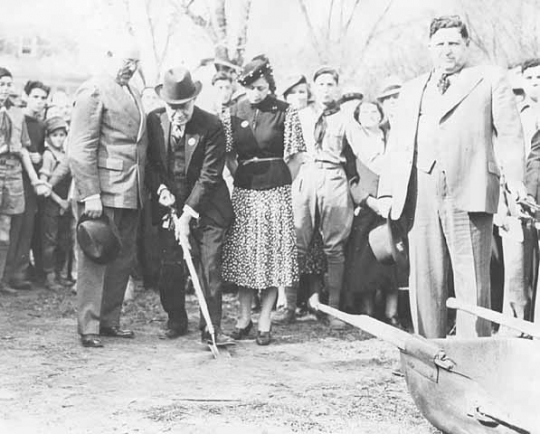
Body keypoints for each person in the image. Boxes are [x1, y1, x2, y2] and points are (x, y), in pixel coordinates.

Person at [377, 15, 525, 338]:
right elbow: (397, 145)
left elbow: (511, 137)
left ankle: (474, 358)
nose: (447, 51)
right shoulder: (412, 89)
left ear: (466, 46)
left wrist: (516, 183)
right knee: (425, 279)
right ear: (430, 47)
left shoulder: (488, 80)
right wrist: (387, 193)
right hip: (420, 191)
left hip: (470, 190)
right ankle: (430, 357)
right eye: (440, 44)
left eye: (454, 44)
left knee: (472, 278)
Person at [146, 67, 234, 345]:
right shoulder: (154, 121)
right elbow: (150, 165)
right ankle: (176, 320)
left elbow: (210, 176)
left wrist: (187, 213)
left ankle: (211, 327)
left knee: (209, 267)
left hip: (207, 209)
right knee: (170, 265)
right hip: (169, 207)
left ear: (193, 100)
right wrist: (160, 189)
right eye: (172, 107)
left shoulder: (212, 125)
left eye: (183, 106)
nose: (177, 112)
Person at [68, 40, 147, 348]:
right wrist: (90, 194)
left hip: (131, 190)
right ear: (109, 53)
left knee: (122, 258)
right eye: (128, 60)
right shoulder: (93, 90)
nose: (132, 67)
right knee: (95, 257)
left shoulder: (133, 91)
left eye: (137, 62)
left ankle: (109, 320)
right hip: (102, 191)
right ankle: (89, 327)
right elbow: (80, 148)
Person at [222, 55, 305, 345]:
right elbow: (228, 154)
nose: (256, 93)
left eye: (261, 86)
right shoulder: (233, 111)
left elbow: (296, 157)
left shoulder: (285, 111)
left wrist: (280, 181)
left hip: (276, 193)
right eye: (250, 87)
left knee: (270, 259)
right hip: (245, 192)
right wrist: (241, 175)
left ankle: (265, 319)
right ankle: (244, 317)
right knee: (246, 258)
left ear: (269, 84)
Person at [290, 66, 357, 329]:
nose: (326, 89)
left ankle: (334, 310)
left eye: (331, 84)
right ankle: (289, 306)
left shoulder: (346, 119)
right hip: (306, 175)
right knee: (297, 243)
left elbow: (360, 151)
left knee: (334, 247)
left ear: (337, 88)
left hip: (334, 177)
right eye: (321, 84)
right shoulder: (300, 116)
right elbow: (289, 151)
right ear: (313, 88)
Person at [342, 100, 399, 325]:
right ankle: (367, 312)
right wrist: (368, 200)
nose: (370, 115)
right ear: (357, 117)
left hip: (394, 204)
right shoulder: (353, 143)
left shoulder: (392, 137)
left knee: (394, 258)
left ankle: (392, 312)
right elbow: (352, 179)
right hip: (368, 207)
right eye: (364, 112)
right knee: (367, 260)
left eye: (374, 110)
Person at [0, 68, 50, 295]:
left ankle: (3, 279)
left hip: (12, 177)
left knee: (6, 230)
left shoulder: (16, 114)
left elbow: (21, 151)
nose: (5, 89)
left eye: (8, 84)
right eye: (2, 84)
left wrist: (35, 179)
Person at [39, 116, 72, 292]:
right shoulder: (48, 155)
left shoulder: (65, 155)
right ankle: (49, 276)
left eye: (62, 135)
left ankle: (60, 274)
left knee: (63, 239)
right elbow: (44, 184)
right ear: (48, 137)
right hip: (52, 203)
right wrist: (59, 201)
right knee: (50, 240)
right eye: (55, 135)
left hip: (65, 203)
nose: (59, 138)